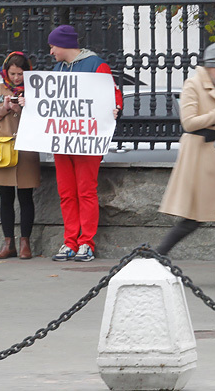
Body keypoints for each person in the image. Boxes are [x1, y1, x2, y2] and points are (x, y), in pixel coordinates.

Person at [156, 42, 215, 287]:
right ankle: (157, 257)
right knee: (193, 217)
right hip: (197, 156)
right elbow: (189, 123)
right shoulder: (192, 85)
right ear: (210, 66)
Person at [48, 24, 123, 263]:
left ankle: (85, 243)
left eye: (53, 46)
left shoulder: (97, 65)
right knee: (67, 192)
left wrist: (116, 107)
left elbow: (113, 94)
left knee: (85, 191)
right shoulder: (57, 69)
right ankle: (70, 241)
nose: (51, 52)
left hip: (86, 140)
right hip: (63, 140)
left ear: (64, 45)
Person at [0, 51, 41, 259]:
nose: (16, 78)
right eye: (13, 73)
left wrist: (25, 107)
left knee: (26, 197)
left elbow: (43, 116)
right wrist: (4, 109)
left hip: (26, 149)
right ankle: (9, 244)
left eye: (20, 74)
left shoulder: (35, 90)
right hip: (2, 150)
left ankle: (25, 243)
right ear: (6, 72)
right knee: (5, 197)